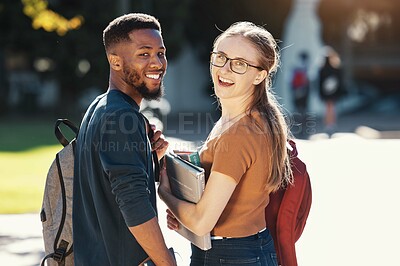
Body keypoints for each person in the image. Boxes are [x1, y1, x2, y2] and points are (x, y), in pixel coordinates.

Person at [158, 21, 293, 266]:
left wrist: (166, 194)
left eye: (240, 64)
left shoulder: (239, 133)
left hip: (230, 256)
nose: (225, 69)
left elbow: (201, 222)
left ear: (260, 75)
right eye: (220, 57)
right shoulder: (251, 118)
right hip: (246, 249)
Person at [72, 13, 176, 266]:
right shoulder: (120, 116)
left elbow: (109, 183)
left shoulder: (100, 106)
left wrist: (149, 158)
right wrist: (167, 263)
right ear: (115, 61)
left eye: (160, 53)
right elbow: (134, 203)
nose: (157, 63)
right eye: (144, 54)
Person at [318, 46, 343, 136]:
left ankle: (329, 125)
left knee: (329, 108)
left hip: (328, 93)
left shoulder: (322, 70)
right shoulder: (336, 69)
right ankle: (330, 124)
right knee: (331, 108)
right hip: (332, 93)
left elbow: (320, 83)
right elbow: (339, 82)